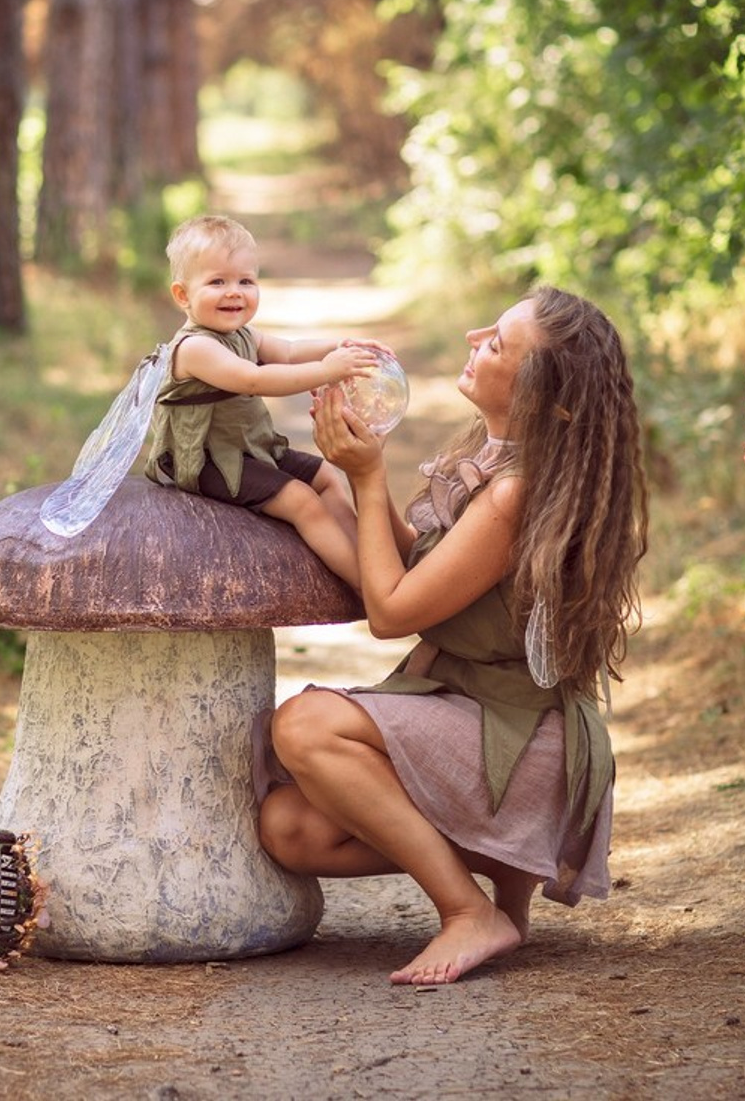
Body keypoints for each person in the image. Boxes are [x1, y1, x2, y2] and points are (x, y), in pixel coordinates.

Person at [256, 285, 649, 985]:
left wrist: (368, 479)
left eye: (496, 343)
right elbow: (428, 575)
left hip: (520, 740)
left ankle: (470, 910)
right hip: (474, 712)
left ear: (542, 399)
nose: (472, 337)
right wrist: (329, 489)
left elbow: (394, 613)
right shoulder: (497, 460)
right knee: (290, 827)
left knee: (305, 726)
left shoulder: (514, 492)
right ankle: (502, 858)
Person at [145, 214, 387, 590]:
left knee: (325, 476)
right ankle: (368, 590)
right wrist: (327, 371)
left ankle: (369, 561)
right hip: (209, 460)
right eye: (217, 282)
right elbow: (255, 379)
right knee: (301, 501)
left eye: (246, 281)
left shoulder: (242, 333)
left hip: (250, 448)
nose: (234, 292)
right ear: (182, 295)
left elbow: (289, 352)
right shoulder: (195, 348)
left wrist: (340, 345)